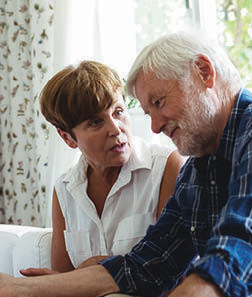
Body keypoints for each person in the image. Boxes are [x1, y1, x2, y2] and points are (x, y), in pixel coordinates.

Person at [0, 31, 252, 297]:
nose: (154, 125)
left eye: (158, 102)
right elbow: (144, 264)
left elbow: (240, 252)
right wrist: (20, 288)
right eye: (147, 111)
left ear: (204, 73)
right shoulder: (199, 170)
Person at [22, 61, 182, 274]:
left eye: (118, 112)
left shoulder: (167, 167)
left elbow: (173, 271)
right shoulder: (64, 190)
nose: (116, 129)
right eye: (96, 122)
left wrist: (93, 267)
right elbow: (62, 281)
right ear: (68, 138)